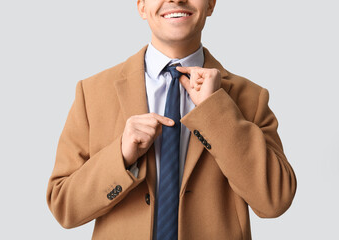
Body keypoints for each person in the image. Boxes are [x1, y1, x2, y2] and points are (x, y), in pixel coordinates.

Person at [46, 0, 297, 239]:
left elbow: (275, 200)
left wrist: (216, 110)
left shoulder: (251, 98)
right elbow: (63, 206)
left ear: (211, 4)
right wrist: (120, 157)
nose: (176, 0)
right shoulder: (92, 93)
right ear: (142, 6)